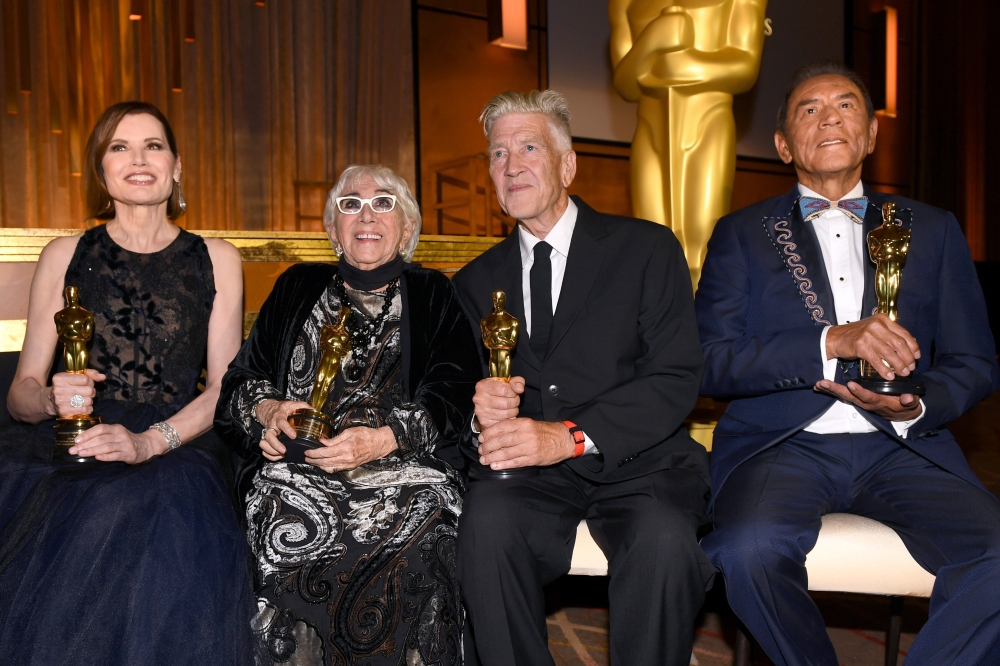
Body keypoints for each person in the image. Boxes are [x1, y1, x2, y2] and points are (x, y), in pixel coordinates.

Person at [696, 62, 1000, 665]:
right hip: (782, 445)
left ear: (870, 135)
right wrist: (831, 342)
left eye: (845, 105)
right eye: (808, 109)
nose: (829, 116)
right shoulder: (740, 234)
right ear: (783, 145)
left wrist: (918, 401)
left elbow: (975, 359)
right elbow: (709, 362)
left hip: (905, 445)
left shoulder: (934, 229)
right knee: (746, 551)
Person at [452, 90, 713, 666]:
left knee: (663, 542)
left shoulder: (645, 248)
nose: (511, 166)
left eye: (528, 148)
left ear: (567, 164)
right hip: (528, 473)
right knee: (484, 529)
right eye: (497, 155)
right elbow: (461, 391)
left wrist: (568, 435)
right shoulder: (473, 283)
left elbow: (674, 377)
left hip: (639, 461)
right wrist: (481, 411)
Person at [0, 101, 254, 664]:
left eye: (154, 146)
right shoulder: (65, 255)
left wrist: (146, 442)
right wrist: (49, 398)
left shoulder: (219, 258)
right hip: (76, 439)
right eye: (120, 147)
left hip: (179, 440)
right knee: (90, 502)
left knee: (145, 505)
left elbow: (223, 392)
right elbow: (20, 393)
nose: (138, 159)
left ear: (177, 166)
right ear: (101, 170)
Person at [215, 165, 481, 666]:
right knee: (283, 514)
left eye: (384, 202)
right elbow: (238, 382)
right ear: (332, 229)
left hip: (405, 469)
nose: (366, 214)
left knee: (421, 516)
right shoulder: (296, 285)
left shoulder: (432, 293)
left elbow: (455, 391)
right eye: (350, 204)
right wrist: (267, 415)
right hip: (295, 468)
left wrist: (383, 439)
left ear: (406, 227)